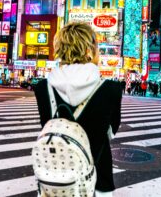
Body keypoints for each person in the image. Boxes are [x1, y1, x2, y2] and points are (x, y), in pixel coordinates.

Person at [34, 22, 122, 196]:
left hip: (56, 179)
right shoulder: (112, 89)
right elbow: (111, 131)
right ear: (90, 49)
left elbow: (47, 126)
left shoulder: (43, 87)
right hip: (97, 180)